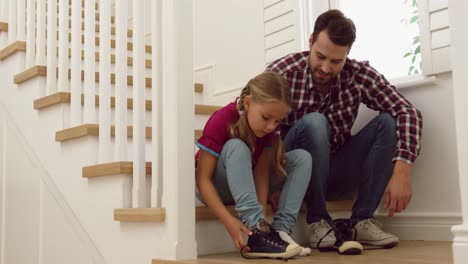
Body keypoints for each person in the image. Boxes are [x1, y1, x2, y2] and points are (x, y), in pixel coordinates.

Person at [266, 9, 423, 252]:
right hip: (292, 169)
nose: (326, 68)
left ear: (348, 54)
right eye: (320, 57)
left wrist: (402, 170)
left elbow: (407, 111)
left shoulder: (358, 75)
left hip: (335, 169)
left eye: (336, 61)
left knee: (388, 122)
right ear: (310, 41)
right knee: (315, 121)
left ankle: (362, 219)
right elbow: (249, 119)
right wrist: (273, 183)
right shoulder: (282, 73)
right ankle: (318, 219)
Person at [195, 71, 313, 259]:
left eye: (277, 121)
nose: (271, 127)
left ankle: (280, 231)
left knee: (302, 158)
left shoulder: (268, 128)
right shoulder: (221, 119)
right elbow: (202, 181)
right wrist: (228, 219)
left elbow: (261, 172)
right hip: (216, 186)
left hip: (245, 185)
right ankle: (257, 229)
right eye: (266, 118)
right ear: (248, 103)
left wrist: (263, 215)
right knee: (237, 146)